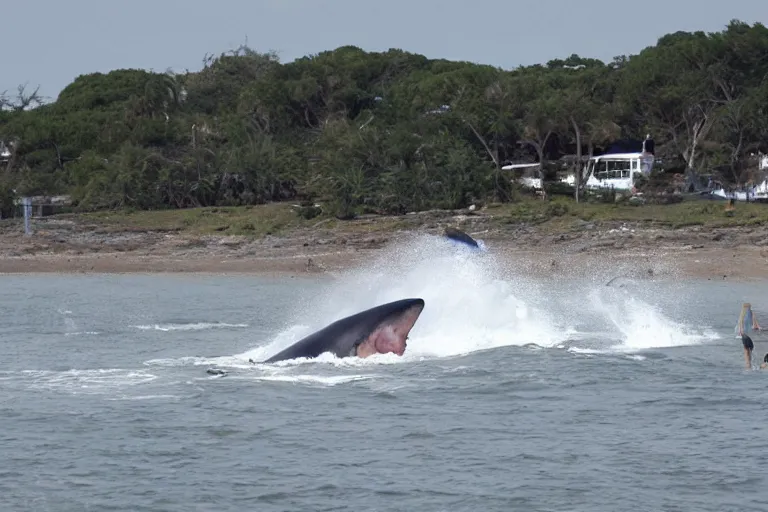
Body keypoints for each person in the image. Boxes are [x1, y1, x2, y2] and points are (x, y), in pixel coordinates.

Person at [738, 303, 761, 369]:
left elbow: (741, 319)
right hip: (748, 331)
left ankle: (748, 365)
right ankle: (749, 365)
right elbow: (753, 317)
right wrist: (756, 325)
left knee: (746, 348)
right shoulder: (749, 306)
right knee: (749, 349)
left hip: (745, 331)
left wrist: (740, 329)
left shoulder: (746, 307)